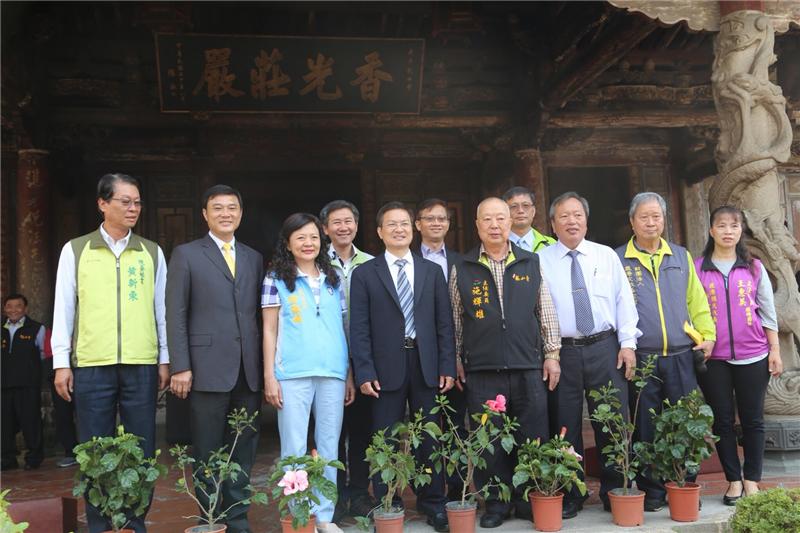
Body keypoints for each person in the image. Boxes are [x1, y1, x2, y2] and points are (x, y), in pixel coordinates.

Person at [52, 173, 169, 533]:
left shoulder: (151, 251)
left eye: (137, 202)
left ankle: (135, 522)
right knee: (94, 450)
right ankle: (99, 524)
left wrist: (164, 357)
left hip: (141, 363)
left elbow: (160, 309)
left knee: (142, 448)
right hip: (92, 364)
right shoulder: (76, 250)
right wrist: (61, 362)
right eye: (125, 201)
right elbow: (63, 309)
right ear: (103, 204)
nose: (133, 208)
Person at [449, 197, 561, 528]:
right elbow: (456, 318)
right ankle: (496, 503)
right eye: (488, 220)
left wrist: (552, 354)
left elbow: (546, 310)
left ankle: (529, 498)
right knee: (489, 440)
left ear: (511, 222)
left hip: (528, 365)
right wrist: (455, 357)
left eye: (501, 218)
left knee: (532, 434)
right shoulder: (463, 267)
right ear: (477, 225)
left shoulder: (530, 262)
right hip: (482, 369)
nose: (495, 225)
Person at [350, 201, 455, 532]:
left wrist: (447, 365)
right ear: (380, 232)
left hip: (426, 365)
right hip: (384, 370)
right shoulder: (365, 273)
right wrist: (364, 371)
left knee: (429, 439)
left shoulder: (431, 271)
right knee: (384, 439)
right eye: (391, 224)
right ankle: (388, 503)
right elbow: (360, 328)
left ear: (414, 228)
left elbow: (444, 324)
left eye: (405, 224)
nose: (399, 229)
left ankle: (433, 503)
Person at [167, 184, 264, 533]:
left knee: (244, 448)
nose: (226, 214)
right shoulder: (187, 254)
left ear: (241, 213)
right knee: (207, 449)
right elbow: (175, 313)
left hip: (248, 370)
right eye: (218, 208)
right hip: (206, 368)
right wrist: (181, 364)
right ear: (205, 214)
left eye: (232, 208)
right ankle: (209, 520)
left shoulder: (254, 257)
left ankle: (237, 520)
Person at [538, 191, 640, 518]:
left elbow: (624, 300)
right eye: (564, 216)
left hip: (604, 347)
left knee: (611, 420)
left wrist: (628, 344)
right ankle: (571, 492)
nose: (572, 221)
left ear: (586, 219)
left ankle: (615, 489)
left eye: (577, 215)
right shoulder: (541, 261)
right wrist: (549, 353)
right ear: (553, 224)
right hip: (563, 352)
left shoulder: (605, 255)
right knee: (564, 423)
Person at [615, 192, 716, 511]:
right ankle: (653, 490)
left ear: (664, 220)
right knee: (645, 423)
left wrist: (708, 334)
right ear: (632, 221)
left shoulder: (681, 256)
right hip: (642, 357)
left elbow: (697, 300)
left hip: (681, 355)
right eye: (643, 216)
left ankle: (685, 484)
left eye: (656, 216)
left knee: (685, 421)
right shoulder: (618, 259)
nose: (650, 222)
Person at [263, 213, 354, 533]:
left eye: (314, 237)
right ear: (287, 243)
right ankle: (299, 515)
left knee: (329, 446)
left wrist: (349, 373)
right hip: (292, 373)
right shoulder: (275, 277)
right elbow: (270, 330)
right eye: (300, 237)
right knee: (294, 447)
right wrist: (270, 375)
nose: (308, 243)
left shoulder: (332, 279)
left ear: (322, 240)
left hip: (332, 371)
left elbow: (342, 328)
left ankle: (324, 517)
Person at [694, 205, 783, 505]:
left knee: (753, 419)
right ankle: (733, 479)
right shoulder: (697, 269)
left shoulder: (754, 267)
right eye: (722, 225)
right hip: (714, 358)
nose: (728, 231)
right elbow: (691, 310)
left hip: (754, 354)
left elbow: (768, 313)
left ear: (741, 230)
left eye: (734, 225)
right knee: (721, 421)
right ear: (711, 230)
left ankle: (752, 479)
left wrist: (775, 351)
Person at [319, 200, 376, 522]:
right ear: (325, 228)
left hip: (363, 357)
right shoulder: (314, 262)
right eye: (336, 222)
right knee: (330, 432)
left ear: (357, 225)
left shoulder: (370, 263)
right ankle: (335, 494)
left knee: (362, 430)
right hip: (327, 358)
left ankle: (359, 492)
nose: (343, 227)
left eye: (349, 221)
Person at [414, 197, 466, 502]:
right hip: (417, 356)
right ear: (417, 224)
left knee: (457, 423)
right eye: (429, 218)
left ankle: (458, 488)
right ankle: (428, 493)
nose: (436, 223)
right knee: (424, 426)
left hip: (453, 356)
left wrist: (456, 357)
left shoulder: (462, 261)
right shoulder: (405, 260)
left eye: (442, 218)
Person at [1, 293, 45, 471]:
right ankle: (6, 458)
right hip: (3, 385)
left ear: (26, 309)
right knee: (4, 424)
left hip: (28, 385)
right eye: (9, 306)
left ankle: (34, 458)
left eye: (18, 306)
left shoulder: (36, 328)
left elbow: (44, 355)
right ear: (4, 309)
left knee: (31, 422)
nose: (13, 310)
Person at [43, 328, 79, 468]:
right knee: (63, 414)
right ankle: (70, 452)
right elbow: (47, 352)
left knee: (88, 414)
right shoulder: (52, 330)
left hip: (84, 370)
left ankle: (90, 451)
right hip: (59, 373)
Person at [502, 186, 556, 253]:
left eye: (525, 205)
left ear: (533, 211)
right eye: (514, 206)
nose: (520, 211)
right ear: (504, 212)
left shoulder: (551, 245)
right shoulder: (496, 244)